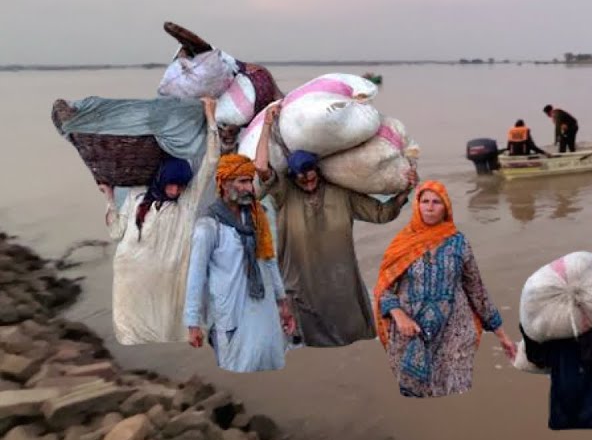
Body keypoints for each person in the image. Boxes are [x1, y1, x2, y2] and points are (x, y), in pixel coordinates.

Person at [254, 102, 417, 348]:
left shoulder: (341, 193)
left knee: (346, 335)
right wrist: (267, 124)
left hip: (339, 279)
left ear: (318, 171)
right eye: (301, 176)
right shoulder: (284, 193)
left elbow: (382, 213)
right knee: (299, 338)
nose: (307, 180)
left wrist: (405, 191)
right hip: (298, 279)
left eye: (311, 174)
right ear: (292, 176)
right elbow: (260, 167)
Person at [375, 180, 518, 398]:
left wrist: (502, 335)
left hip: (453, 333)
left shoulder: (459, 243)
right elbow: (384, 289)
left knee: (453, 393)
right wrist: (399, 316)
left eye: (436, 202)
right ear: (417, 205)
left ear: (446, 208)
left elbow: (476, 290)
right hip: (410, 331)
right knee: (414, 392)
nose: (430, 207)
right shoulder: (402, 243)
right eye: (425, 201)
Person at [101, 97, 219, 345]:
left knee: (168, 322)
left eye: (180, 185)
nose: (175, 190)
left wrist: (210, 117)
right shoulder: (136, 195)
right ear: (162, 179)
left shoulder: (187, 203)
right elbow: (116, 232)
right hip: (130, 273)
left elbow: (210, 162)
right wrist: (110, 198)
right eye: (172, 184)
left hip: (166, 276)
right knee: (130, 327)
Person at [184, 154, 295, 373]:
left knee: (268, 357)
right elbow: (196, 276)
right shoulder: (208, 226)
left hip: (263, 307)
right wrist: (192, 323)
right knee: (237, 363)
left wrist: (282, 303)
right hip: (231, 310)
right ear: (224, 184)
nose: (249, 188)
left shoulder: (257, 217)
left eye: (250, 181)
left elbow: (269, 260)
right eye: (242, 182)